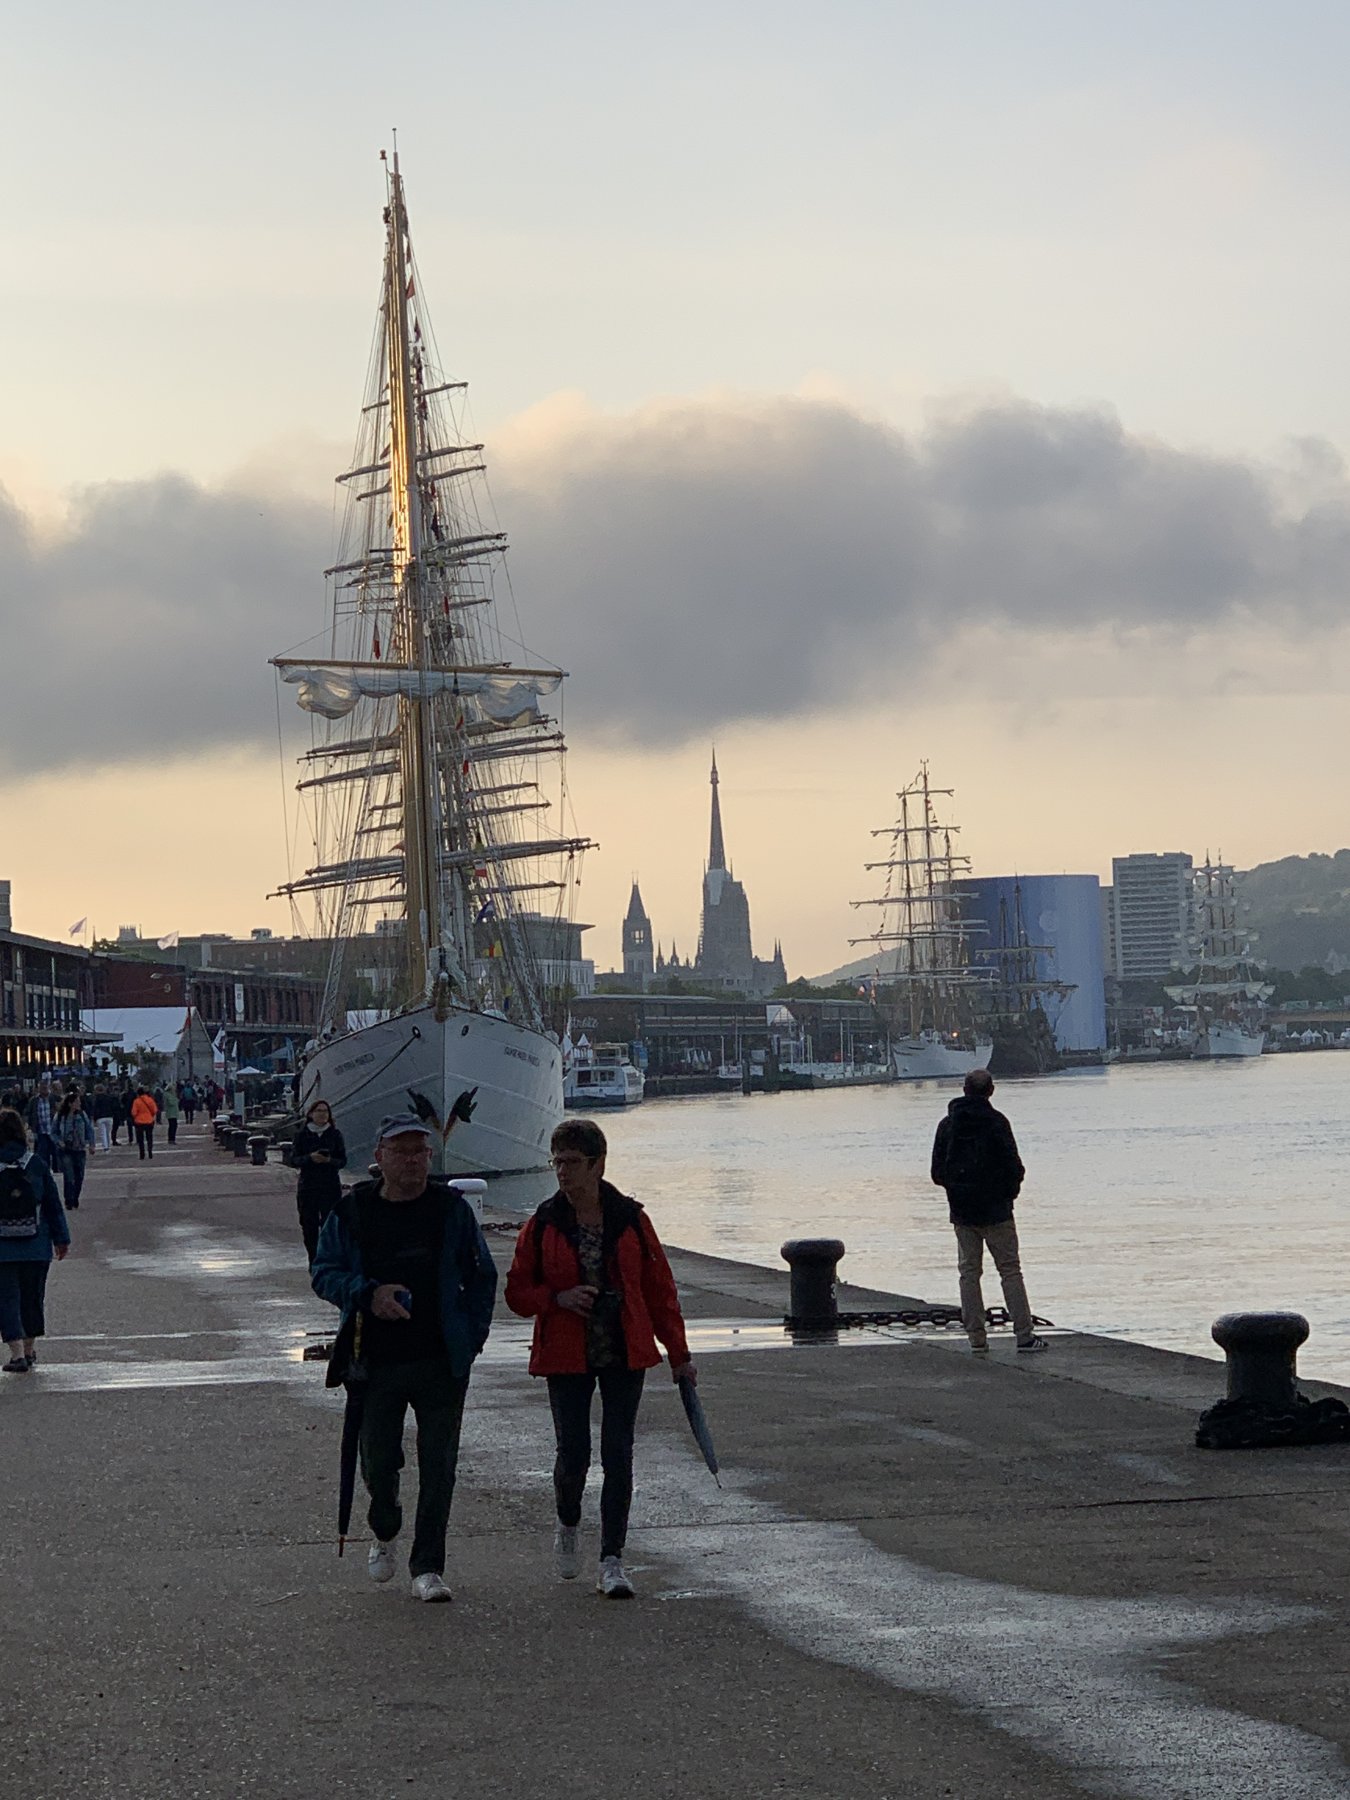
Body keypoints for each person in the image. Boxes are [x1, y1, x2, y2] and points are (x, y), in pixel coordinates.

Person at [505, 1118, 695, 1599]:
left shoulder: (631, 1220)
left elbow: (660, 1291)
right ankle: (568, 1522)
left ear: (598, 1165)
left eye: (572, 1162)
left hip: (623, 1349)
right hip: (565, 1352)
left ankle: (612, 1559)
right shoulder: (543, 1224)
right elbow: (517, 1293)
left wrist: (679, 1355)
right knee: (573, 1453)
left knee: (618, 1453)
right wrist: (558, 1298)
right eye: (557, 1162)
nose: (562, 1172)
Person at [311, 1115, 497, 1603]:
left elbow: (482, 1275)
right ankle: (385, 1523)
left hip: (441, 1359)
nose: (413, 1161)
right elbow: (323, 1271)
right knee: (377, 1460)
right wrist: (366, 1294)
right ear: (380, 1157)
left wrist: (472, 1338)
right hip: (374, 1362)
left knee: (439, 1465)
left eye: (421, 1151)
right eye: (402, 1151)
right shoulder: (352, 1212)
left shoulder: (451, 1211)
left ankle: (428, 1566)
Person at [930, 1068, 1048, 1355]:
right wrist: (1008, 1194)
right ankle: (1024, 1335)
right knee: (1010, 1271)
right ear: (991, 1091)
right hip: (997, 1211)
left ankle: (976, 1338)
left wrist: (957, 1191)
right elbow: (1014, 1167)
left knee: (969, 1273)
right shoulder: (997, 1122)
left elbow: (937, 1172)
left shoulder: (948, 1125)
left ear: (964, 1089)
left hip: (962, 1212)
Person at [0, 1105, 70, 1373]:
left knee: (7, 1299)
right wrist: (61, 1239)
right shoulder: (36, 1163)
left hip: (3, 1248)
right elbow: (53, 1204)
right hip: (36, 1244)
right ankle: (30, 1349)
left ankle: (16, 1353)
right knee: (33, 1297)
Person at [292, 1100, 347, 1264]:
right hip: (308, 1186)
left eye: (325, 1111)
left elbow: (342, 1160)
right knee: (309, 1225)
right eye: (319, 1111)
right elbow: (293, 1160)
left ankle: (327, 1260)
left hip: (330, 1185)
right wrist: (310, 1158)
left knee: (329, 1225)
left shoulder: (335, 1134)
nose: (323, 1114)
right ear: (311, 1114)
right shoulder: (302, 1135)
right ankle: (313, 1259)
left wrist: (329, 1160)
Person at [52, 1091, 95, 1210]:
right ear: (70, 1103)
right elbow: (53, 1132)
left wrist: (91, 1144)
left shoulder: (82, 1115)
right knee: (69, 1176)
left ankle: (75, 1196)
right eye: (76, 1102)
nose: (79, 1104)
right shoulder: (60, 1116)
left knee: (79, 1176)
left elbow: (89, 1129)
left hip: (79, 1149)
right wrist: (59, 1141)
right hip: (66, 1149)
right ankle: (69, 1200)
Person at [24, 1075, 58, 1172]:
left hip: (53, 1130)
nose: (44, 1090)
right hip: (40, 1131)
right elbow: (28, 1113)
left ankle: (56, 1169)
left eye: (45, 1087)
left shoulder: (53, 1098)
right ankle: (45, 1170)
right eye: (42, 1088)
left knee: (55, 1151)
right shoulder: (34, 1100)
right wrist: (30, 1126)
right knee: (42, 1152)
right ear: (38, 1089)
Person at [130, 1086, 158, 1161]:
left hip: (139, 1122)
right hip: (149, 1121)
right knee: (149, 1138)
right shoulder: (150, 1099)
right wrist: (151, 1115)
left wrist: (136, 1117)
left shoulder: (136, 1101)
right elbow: (155, 1110)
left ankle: (142, 1154)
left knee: (140, 1139)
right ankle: (150, 1151)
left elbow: (134, 1112)